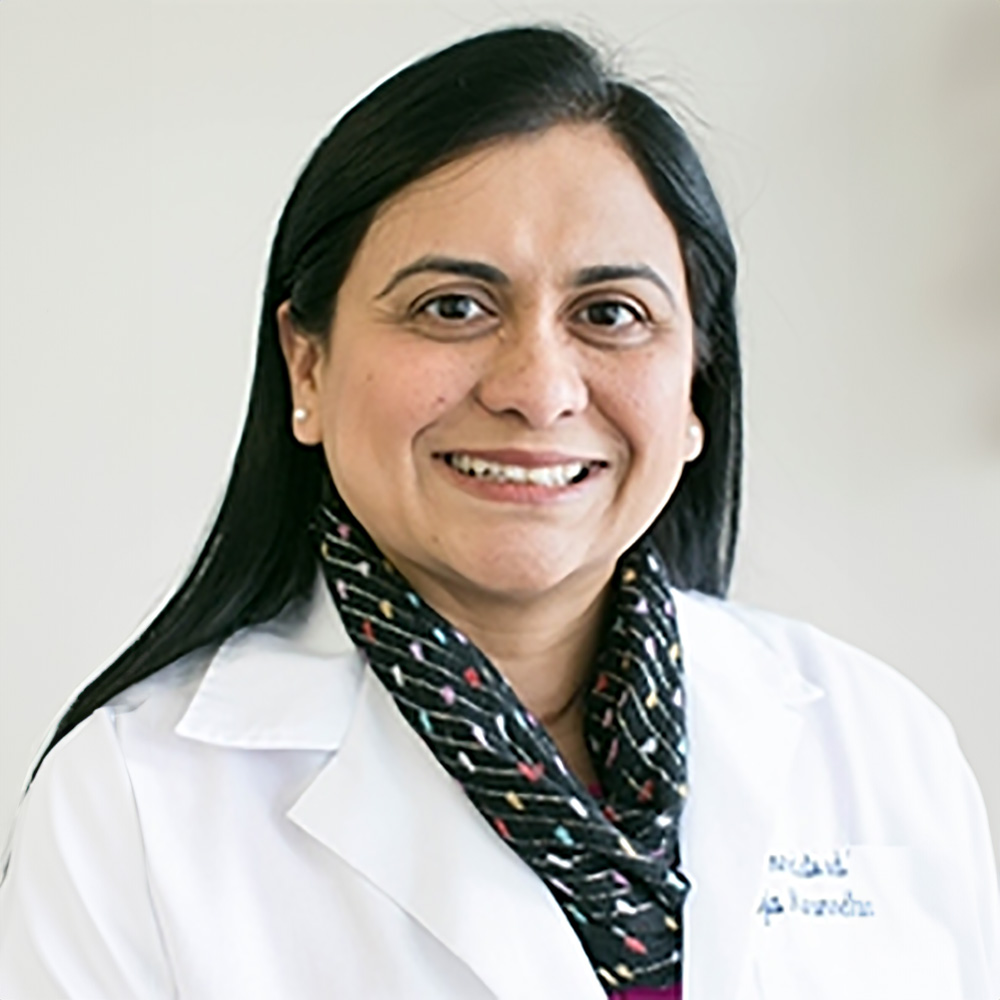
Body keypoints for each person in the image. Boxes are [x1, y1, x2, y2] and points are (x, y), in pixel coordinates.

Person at [0, 22, 997, 1000]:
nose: (538, 386)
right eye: (452, 306)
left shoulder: (879, 741)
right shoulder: (129, 804)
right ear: (308, 362)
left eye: (609, 314)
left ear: (697, 389)